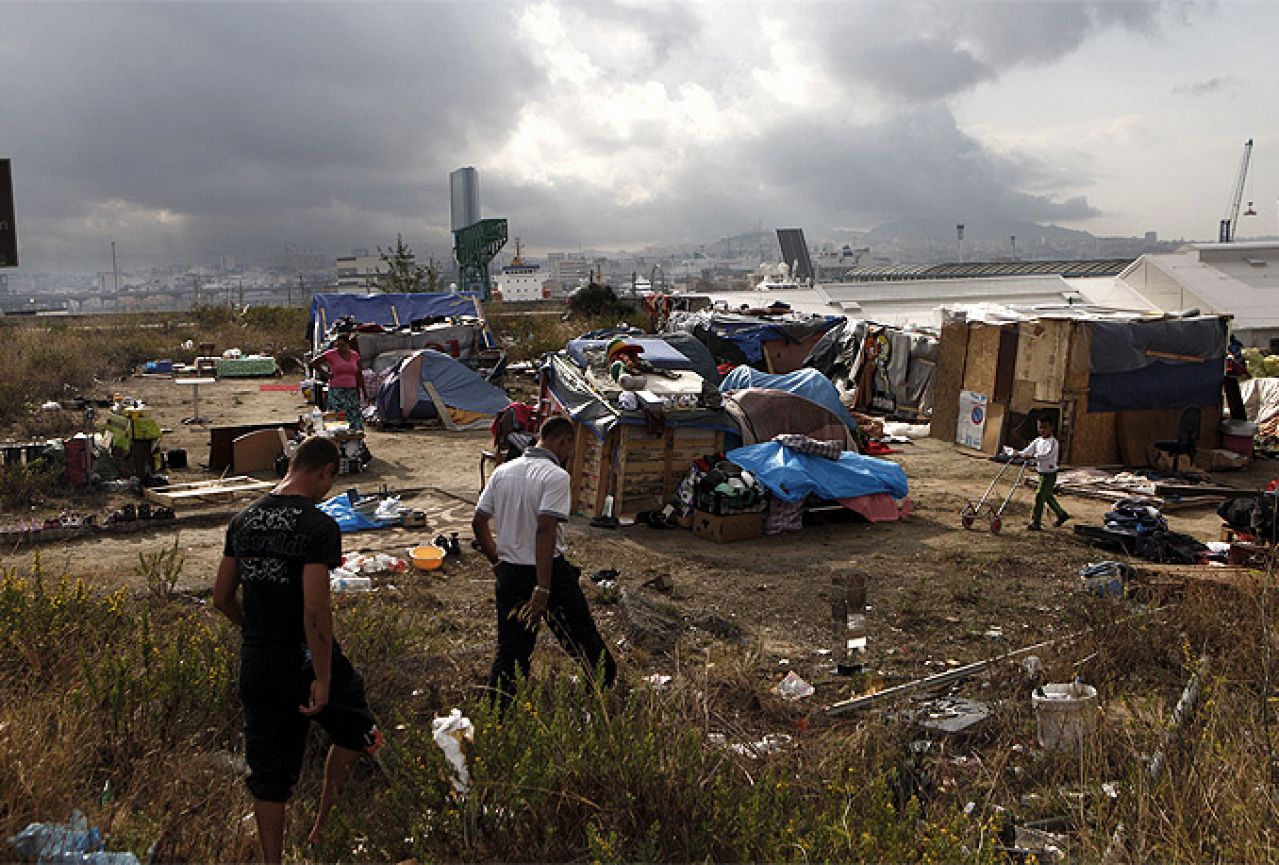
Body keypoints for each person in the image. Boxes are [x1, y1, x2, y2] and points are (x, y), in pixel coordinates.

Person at [213, 436, 382, 863]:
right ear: (326, 471)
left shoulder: (243, 520)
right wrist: (322, 678)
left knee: (268, 775)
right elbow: (314, 611)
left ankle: (274, 861)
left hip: (258, 659)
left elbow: (220, 597)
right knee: (355, 727)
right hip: (302, 660)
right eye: (330, 480)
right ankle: (321, 831)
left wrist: (254, 629)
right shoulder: (316, 526)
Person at [472, 415, 617, 705]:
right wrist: (542, 587)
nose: (568, 456)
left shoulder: (503, 471)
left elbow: (478, 522)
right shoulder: (555, 476)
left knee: (512, 652)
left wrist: (497, 564)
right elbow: (545, 528)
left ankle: (498, 715)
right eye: (569, 449)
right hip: (547, 573)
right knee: (583, 637)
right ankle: (599, 696)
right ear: (562, 441)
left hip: (510, 573)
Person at [1009, 417, 1070, 531]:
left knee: (1039, 495)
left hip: (1050, 473)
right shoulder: (1037, 441)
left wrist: (1032, 456)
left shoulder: (1053, 443)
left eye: (1045, 427)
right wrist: (1019, 454)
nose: (1042, 430)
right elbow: (1028, 450)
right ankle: (1061, 514)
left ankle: (1036, 521)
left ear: (1052, 428)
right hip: (1041, 473)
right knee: (1046, 496)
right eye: (1040, 427)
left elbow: (1046, 455)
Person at [310, 334, 367, 431]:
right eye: (338, 345)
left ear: (348, 344)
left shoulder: (354, 355)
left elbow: (359, 374)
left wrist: (363, 391)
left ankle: (355, 437)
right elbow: (313, 363)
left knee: (353, 415)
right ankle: (339, 437)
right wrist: (326, 374)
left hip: (351, 391)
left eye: (343, 345)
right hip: (337, 391)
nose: (340, 347)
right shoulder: (331, 354)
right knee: (337, 415)